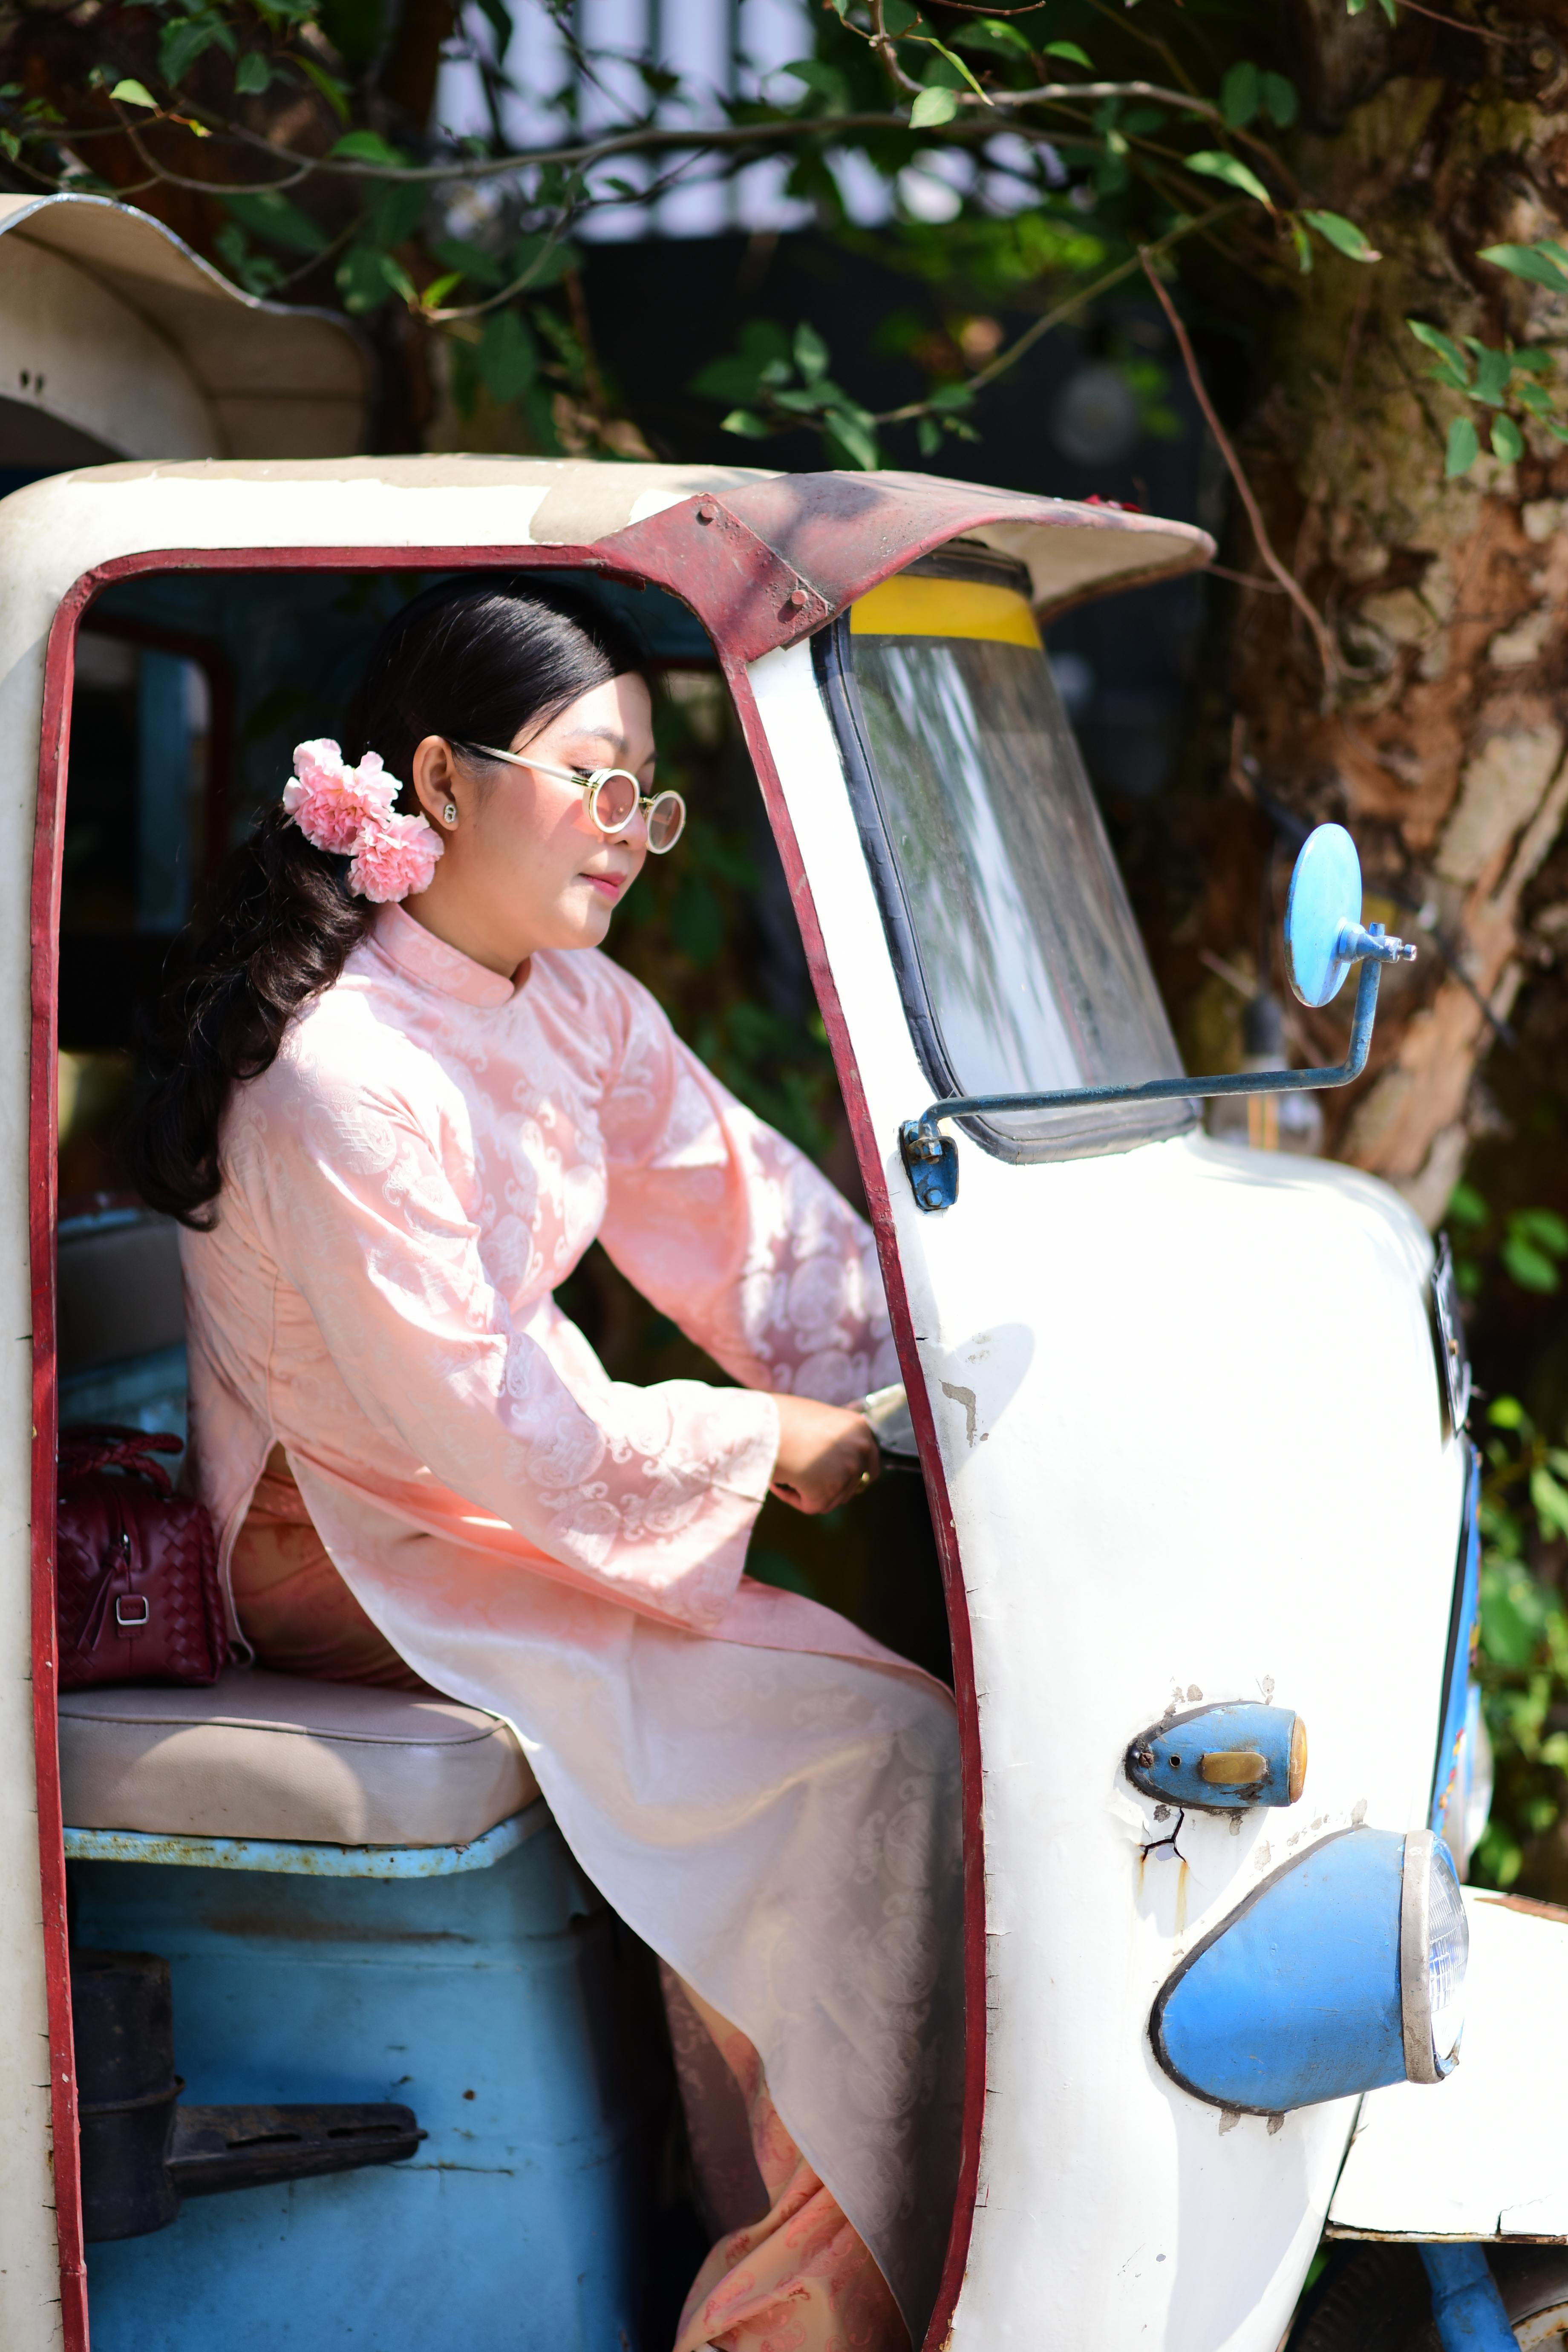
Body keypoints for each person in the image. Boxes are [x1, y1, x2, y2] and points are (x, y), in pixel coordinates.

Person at [130, 577, 963, 2352]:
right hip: (351, 1540)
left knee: (867, 1717)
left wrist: (929, 1377)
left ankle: (795, 2246)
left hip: (484, 1496)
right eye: (597, 779)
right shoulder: (337, 1071)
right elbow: (477, 1413)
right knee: (871, 1747)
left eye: (646, 793)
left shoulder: (568, 1007)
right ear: (437, 782)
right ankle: (797, 2313)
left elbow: (748, 1222)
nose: (631, 834)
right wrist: (768, 1443)